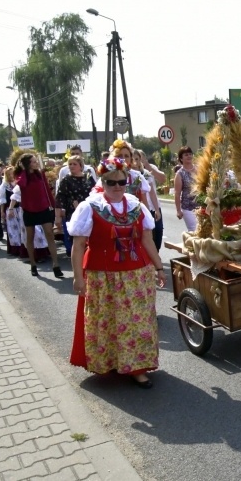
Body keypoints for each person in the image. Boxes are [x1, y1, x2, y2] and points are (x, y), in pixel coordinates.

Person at [68, 157, 166, 389]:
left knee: (137, 321)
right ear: (103, 182)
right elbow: (78, 245)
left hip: (137, 275)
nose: (117, 187)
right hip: (102, 277)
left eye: (121, 182)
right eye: (111, 182)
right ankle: (111, 362)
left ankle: (138, 368)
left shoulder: (136, 206)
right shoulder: (89, 207)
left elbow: (147, 240)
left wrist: (159, 267)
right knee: (108, 321)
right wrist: (78, 277)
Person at [15, 153, 63, 277]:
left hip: (43, 208)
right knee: (30, 237)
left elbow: (47, 191)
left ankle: (56, 265)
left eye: (36, 161)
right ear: (27, 164)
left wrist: (54, 206)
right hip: (29, 210)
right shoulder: (21, 175)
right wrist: (24, 170)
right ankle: (33, 264)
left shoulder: (40, 174)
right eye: (33, 161)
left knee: (49, 234)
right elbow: (22, 184)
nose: (36, 163)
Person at [56, 155, 96, 257]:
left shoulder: (88, 177)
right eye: (70, 164)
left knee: (91, 237)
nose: (72, 166)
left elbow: (96, 193)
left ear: (81, 165)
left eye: (75, 164)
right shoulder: (66, 180)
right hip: (73, 212)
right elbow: (59, 198)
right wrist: (57, 217)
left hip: (89, 211)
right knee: (77, 238)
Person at [132, 149, 163, 251]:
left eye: (137, 159)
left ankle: (155, 253)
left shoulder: (145, 173)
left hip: (150, 208)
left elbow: (152, 193)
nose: (134, 162)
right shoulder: (126, 175)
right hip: (136, 210)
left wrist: (157, 210)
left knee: (157, 232)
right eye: (132, 159)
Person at [173, 146, 198, 232]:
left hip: (202, 206)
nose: (189, 156)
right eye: (186, 155)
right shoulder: (180, 174)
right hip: (188, 208)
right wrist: (178, 210)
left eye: (190, 154)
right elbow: (177, 193)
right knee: (194, 231)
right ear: (181, 158)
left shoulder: (199, 169)